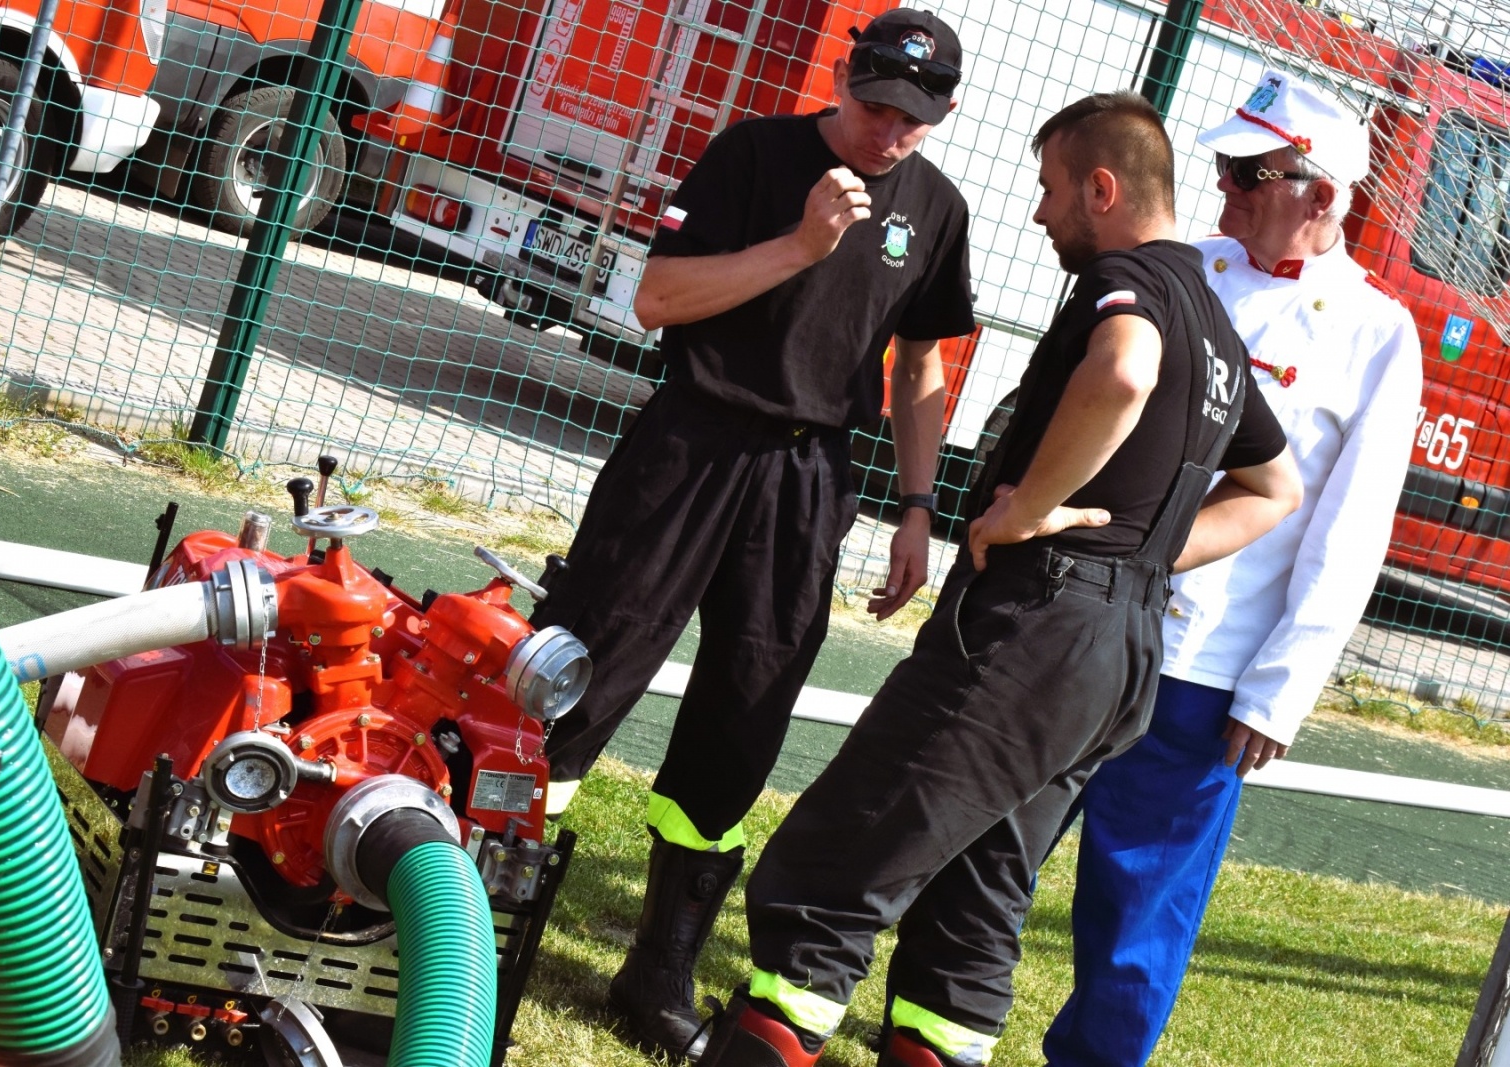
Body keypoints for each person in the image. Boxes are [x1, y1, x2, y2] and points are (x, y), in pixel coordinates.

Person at [694, 90, 1304, 1067]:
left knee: (828, 872)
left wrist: (1029, 508)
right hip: (1119, 651)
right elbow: (1273, 486)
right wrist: (1143, 553)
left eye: (1051, 188)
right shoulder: (1216, 325)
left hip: (1034, 630)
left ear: (1102, 189)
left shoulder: (1129, 285)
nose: (1039, 212)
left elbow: (1123, 372)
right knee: (974, 902)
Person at [527, 8, 978, 1059]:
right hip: (692, 442)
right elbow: (657, 297)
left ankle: (656, 971)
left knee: (746, 713)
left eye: (913, 119)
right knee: (583, 667)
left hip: (810, 478)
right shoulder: (753, 154)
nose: (888, 134)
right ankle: (481, 911)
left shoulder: (936, 208)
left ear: (944, 113)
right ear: (844, 78)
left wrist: (918, 508)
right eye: (876, 107)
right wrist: (801, 245)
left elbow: (920, 363)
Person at [1041, 71, 1423, 1067]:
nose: (1224, 188)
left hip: (1205, 667)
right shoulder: (1186, 267)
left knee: (1139, 902)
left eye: (1250, 174)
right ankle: (934, 1026)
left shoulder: (1377, 331)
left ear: (1322, 193)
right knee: (994, 839)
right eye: (1222, 166)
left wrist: (1280, 688)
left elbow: (1351, 530)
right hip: (1086, 614)